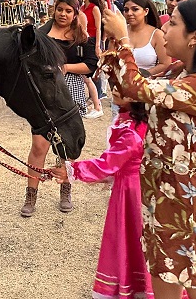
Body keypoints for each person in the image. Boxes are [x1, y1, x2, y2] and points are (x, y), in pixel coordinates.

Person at [102, 0, 196, 298]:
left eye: (173, 23)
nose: (165, 27)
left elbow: (137, 88)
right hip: (161, 196)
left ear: (195, 37)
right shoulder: (178, 74)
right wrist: (116, 48)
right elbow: (130, 93)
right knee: (163, 270)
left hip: (187, 202)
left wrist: (124, 38)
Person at [50, 103, 154, 299]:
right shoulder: (137, 122)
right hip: (134, 187)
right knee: (134, 237)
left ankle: (135, 286)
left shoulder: (131, 131)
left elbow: (109, 163)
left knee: (131, 236)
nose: (114, 93)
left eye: (120, 88)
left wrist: (74, 170)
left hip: (131, 192)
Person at [21, 0, 97, 217]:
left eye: (69, 11)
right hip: (44, 95)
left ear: (75, 14)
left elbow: (91, 65)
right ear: (54, 9)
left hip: (70, 90)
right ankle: (31, 195)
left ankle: (66, 189)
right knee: (39, 146)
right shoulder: (40, 35)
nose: (63, 14)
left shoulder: (82, 38)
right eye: (60, 9)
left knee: (68, 146)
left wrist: (65, 68)